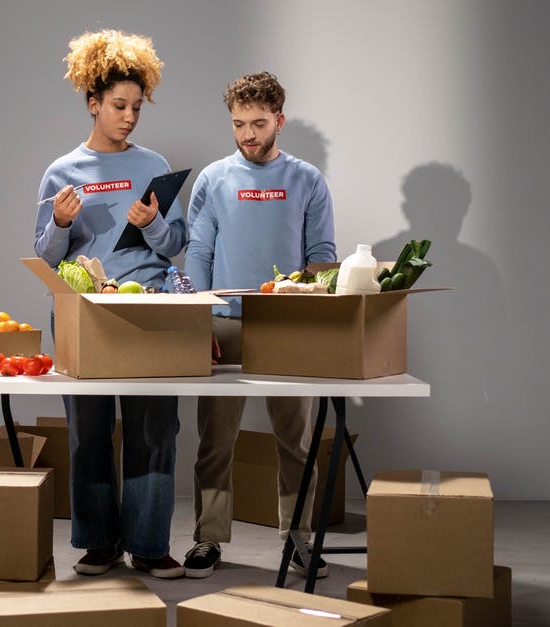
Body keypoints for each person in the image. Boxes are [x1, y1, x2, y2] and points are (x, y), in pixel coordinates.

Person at [33, 30, 186, 579]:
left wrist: (156, 224)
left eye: (136, 108)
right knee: (89, 430)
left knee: (154, 430)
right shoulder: (62, 172)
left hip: (148, 311)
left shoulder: (154, 163)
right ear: (93, 103)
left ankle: (148, 544)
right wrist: (62, 221)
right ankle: (99, 542)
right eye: (118, 106)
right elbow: (47, 257)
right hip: (85, 315)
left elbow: (175, 247)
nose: (128, 118)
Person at [182, 71, 337, 579]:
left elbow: (321, 258)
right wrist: (197, 320)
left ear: (279, 121)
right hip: (224, 323)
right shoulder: (214, 178)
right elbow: (199, 252)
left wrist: (312, 318)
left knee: (295, 441)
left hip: (286, 327)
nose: (248, 134)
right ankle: (208, 539)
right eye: (238, 124)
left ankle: (298, 540)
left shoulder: (308, 180)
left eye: (258, 123)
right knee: (215, 440)